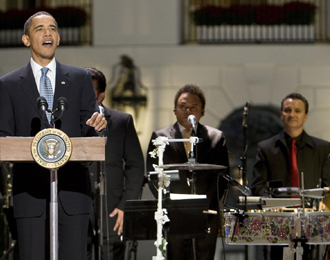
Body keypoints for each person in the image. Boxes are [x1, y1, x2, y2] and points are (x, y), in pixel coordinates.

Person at [0, 11, 107, 260]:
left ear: (59, 38)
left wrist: (97, 126)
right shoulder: (9, 84)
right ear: (26, 40)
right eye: (40, 28)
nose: (47, 33)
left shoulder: (79, 78)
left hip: (72, 194)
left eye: (52, 28)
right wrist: (29, 147)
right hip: (30, 195)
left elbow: (89, 129)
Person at [146, 84, 230, 260]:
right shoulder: (160, 137)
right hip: (175, 214)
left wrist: (204, 205)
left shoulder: (216, 137)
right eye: (183, 106)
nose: (188, 111)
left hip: (207, 214)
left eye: (193, 107)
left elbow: (222, 178)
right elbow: (152, 175)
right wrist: (170, 203)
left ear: (202, 111)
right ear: (175, 110)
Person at [251, 92, 330, 260]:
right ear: (281, 114)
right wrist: (272, 206)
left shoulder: (323, 148)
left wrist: (322, 207)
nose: (292, 114)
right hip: (278, 223)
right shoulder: (265, 148)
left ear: (305, 116)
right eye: (287, 110)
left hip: (312, 224)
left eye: (297, 111)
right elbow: (258, 186)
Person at [85, 67, 145, 260]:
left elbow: (135, 166)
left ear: (101, 96)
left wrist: (126, 205)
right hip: (76, 211)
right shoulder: (67, 124)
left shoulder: (121, 121)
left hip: (112, 211)